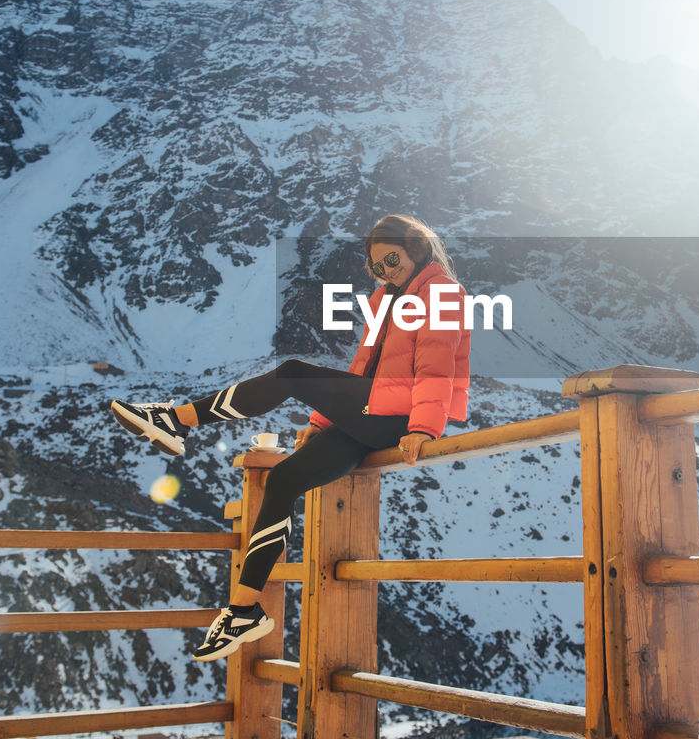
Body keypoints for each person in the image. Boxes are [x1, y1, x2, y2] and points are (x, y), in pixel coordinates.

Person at [110, 215, 471, 663]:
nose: (386, 271)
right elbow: (360, 370)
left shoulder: (442, 294)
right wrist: (321, 422)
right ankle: (243, 609)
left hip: (396, 416)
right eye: (376, 266)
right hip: (368, 412)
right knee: (281, 481)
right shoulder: (386, 298)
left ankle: (178, 421)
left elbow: (437, 368)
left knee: (292, 374)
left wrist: (423, 428)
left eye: (392, 260)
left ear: (417, 248)